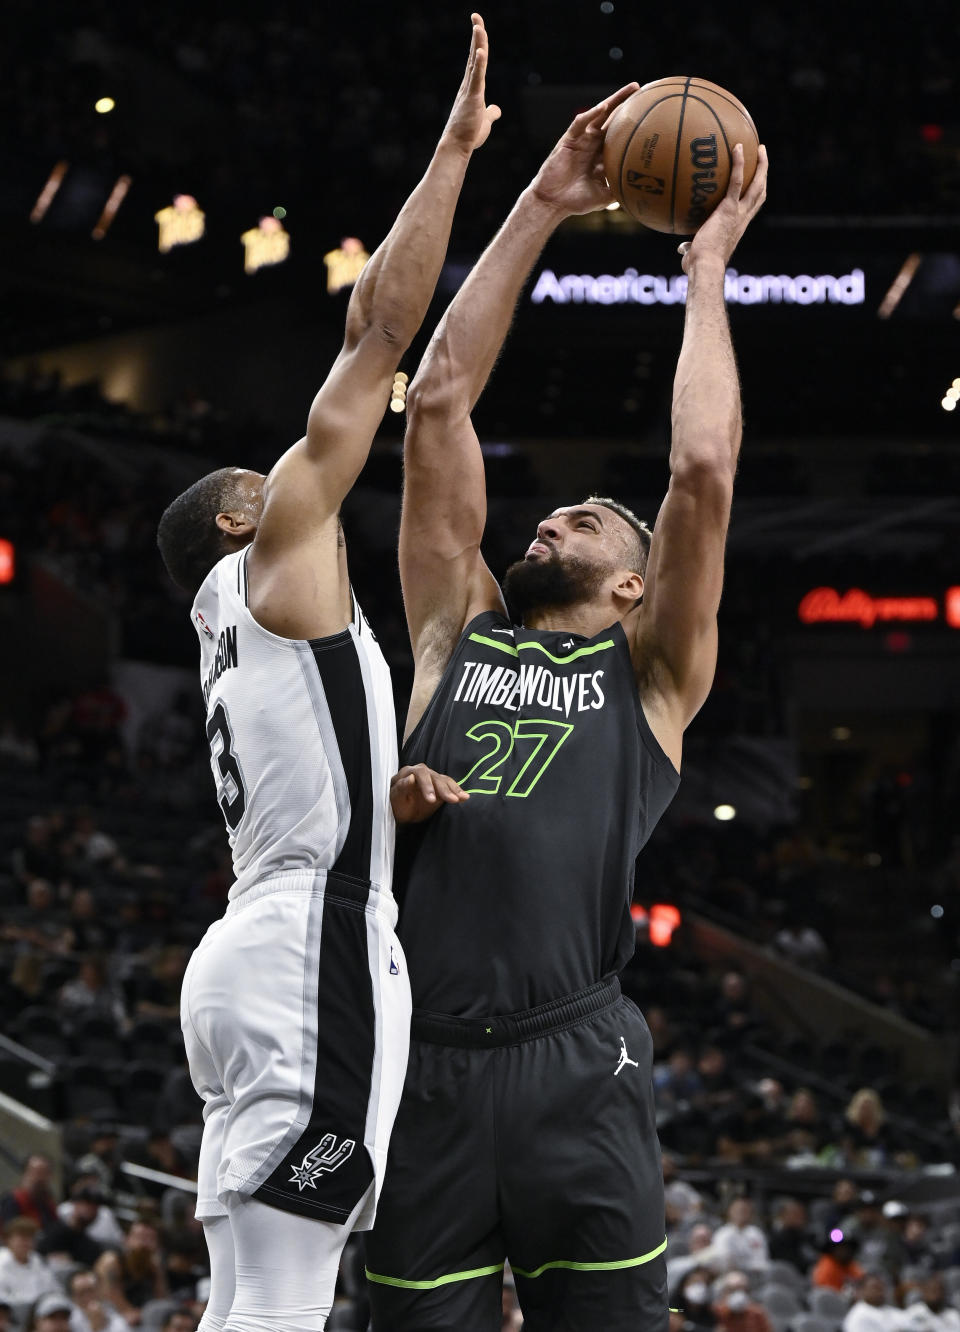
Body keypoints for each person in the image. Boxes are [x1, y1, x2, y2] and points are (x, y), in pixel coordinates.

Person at [364, 75, 768, 1331]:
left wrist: (705, 274)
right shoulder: (453, 632)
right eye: (551, 512)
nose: (550, 517)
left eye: (586, 520)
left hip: (576, 1065)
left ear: (637, 581)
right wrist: (542, 199)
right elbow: (436, 402)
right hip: (422, 1067)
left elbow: (701, 463)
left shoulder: (650, 677)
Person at [155, 16, 498, 1332]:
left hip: (258, 948)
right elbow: (375, 338)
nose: (297, 477)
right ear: (245, 523)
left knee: (247, 1298)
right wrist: (455, 154)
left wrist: (381, 799)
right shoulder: (277, 561)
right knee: (285, 1310)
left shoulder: (252, 624)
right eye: (270, 478)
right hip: (313, 951)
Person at [842, 1274, 910, 1332]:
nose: (880, 1291)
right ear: (862, 1291)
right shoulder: (858, 1315)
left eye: (882, 1287)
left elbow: (911, 1324)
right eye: (875, 1287)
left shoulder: (889, 1309)